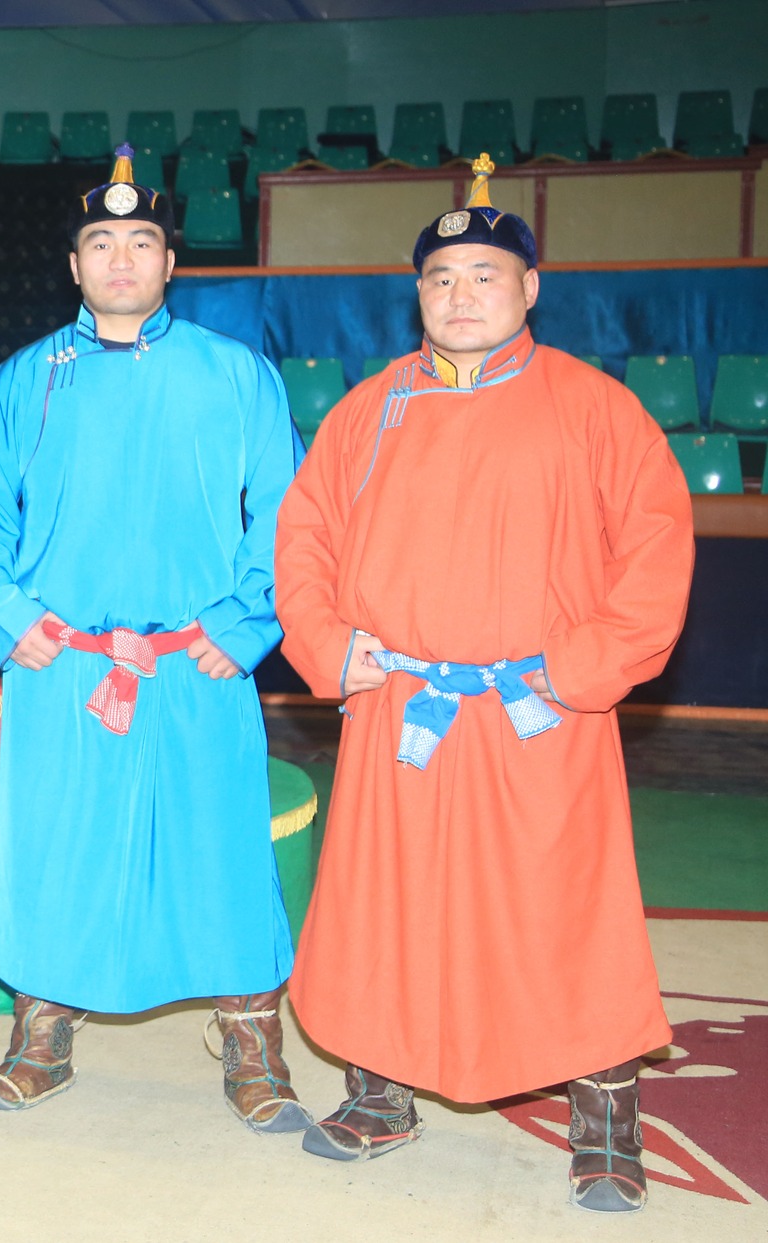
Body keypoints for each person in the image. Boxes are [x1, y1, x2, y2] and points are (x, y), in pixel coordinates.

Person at [272, 155, 694, 1213]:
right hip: (397, 708)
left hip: (538, 712)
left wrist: (579, 671)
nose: (459, 296)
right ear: (416, 293)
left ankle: (604, 1119)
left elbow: (654, 556)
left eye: (483, 276)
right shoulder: (366, 411)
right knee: (387, 903)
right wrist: (330, 647)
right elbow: (303, 541)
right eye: (440, 279)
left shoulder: (597, 410)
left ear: (529, 288)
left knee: (565, 909)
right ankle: (380, 1091)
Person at [0, 147, 308, 1129]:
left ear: (169, 261)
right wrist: (8, 617)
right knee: (55, 849)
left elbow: (286, 510)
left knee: (221, 851)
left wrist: (245, 622)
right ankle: (41, 1034)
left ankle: (252, 1043)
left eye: (140, 241)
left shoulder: (236, 374)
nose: (120, 259)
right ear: (73, 264)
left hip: (197, 662)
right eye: (100, 243)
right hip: (63, 664)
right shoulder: (24, 380)